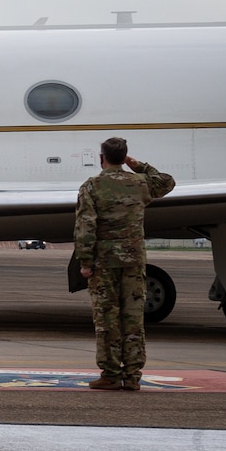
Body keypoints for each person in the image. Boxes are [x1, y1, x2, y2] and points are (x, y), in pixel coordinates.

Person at [73, 136, 175, 391]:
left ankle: (110, 374)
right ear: (124, 157)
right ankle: (132, 376)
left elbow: (86, 226)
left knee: (107, 319)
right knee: (132, 319)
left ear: (101, 158)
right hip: (133, 261)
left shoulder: (93, 186)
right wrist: (138, 165)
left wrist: (85, 262)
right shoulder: (139, 183)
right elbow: (166, 182)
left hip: (104, 263)